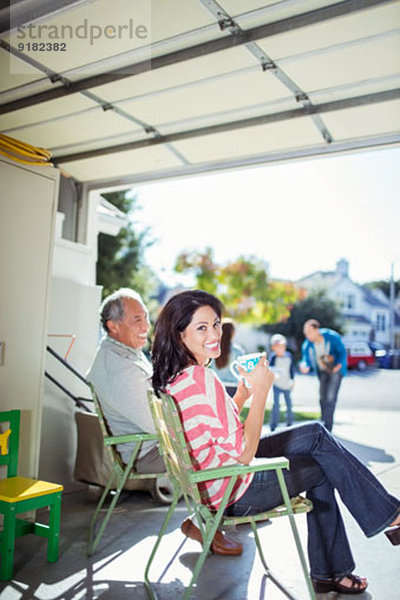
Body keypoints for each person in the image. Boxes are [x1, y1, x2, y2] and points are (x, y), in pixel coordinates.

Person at [151, 289, 400, 595]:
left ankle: (380, 522)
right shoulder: (202, 379)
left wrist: (242, 396)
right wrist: (262, 394)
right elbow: (243, 453)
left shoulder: (183, 376)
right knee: (323, 466)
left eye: (216, 324)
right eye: (201, 327)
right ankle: (340, 564)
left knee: (315, 434)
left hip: (212, 483)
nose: (214, 334)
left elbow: (216, 432)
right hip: (233, 490)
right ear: (179, 336)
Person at [87, 288, 241, 555]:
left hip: (155, 441)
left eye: (146, 317)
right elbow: (161, 425)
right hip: (145, 449)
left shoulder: (124, 353)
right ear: (113, 326)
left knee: (223, 435)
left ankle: (227, 510)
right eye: (137, 320)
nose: (146, 326)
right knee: (218, 444)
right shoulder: (118, 368)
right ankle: (222, 515)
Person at [300, 319, 347, 432]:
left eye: (309, 332)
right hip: (322, 371)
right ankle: (323, 422)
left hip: (335, 370)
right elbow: (305, 358)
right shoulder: (308, 343)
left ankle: (328, 427)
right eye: (305, 333)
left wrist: (339, 365)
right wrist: (304, 365)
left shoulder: (332, 336)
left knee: (330, 397)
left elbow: (342, 352)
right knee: (322, 398)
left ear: (316, 329)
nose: (307, 335)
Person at [210, 318, 245, 396]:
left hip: (217, 385)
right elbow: (242, 370)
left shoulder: (213, 348)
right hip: (233, 387)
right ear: (232, 332)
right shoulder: (238, 351)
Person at [268, 333, 294, 431]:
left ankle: (290, 424)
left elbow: (291, 370)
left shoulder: (289, 356)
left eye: (282, 346)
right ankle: (273, 426)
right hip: (277, 384)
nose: (280, 349)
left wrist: (292, 381)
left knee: (289, 405)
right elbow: (270, 369)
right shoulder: (273, 357)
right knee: (276, 405)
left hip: (287, 384)